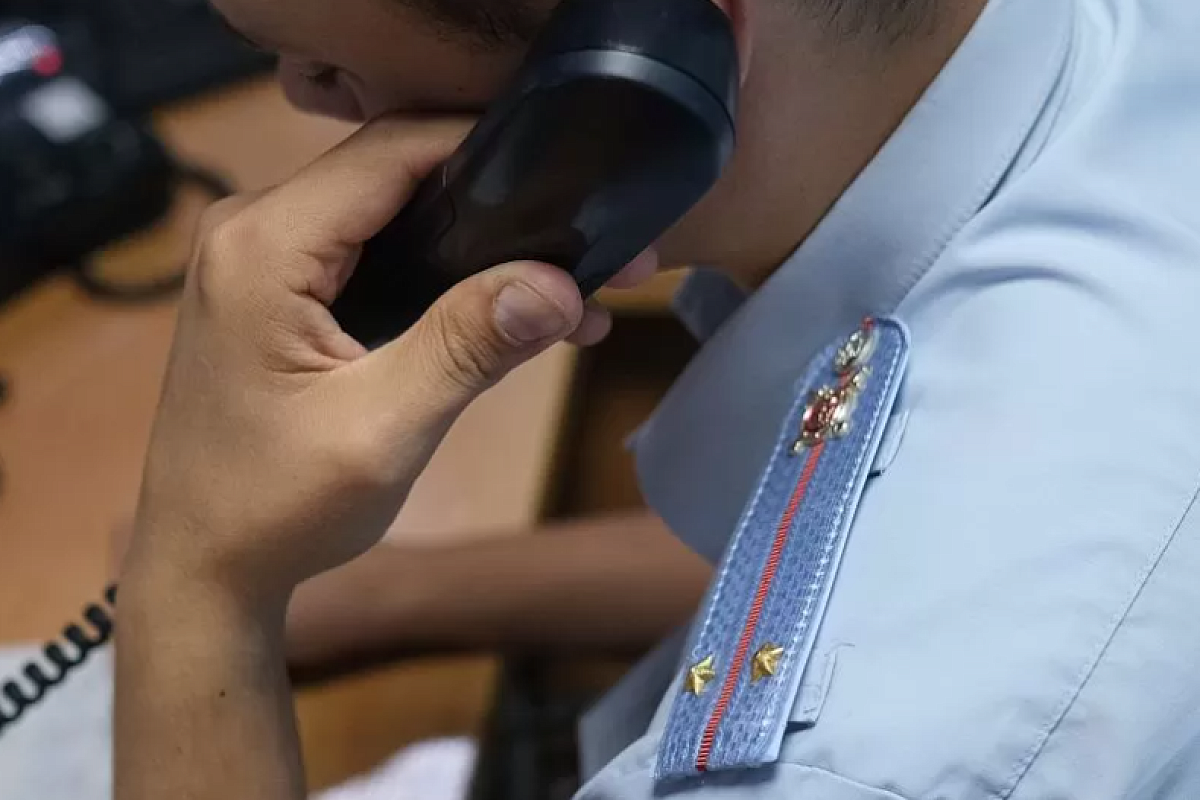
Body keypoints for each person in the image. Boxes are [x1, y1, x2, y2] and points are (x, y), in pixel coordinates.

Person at [114, 0, 1200, 799]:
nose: (305, 101)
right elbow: (816, 531)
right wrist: (402, 593)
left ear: (639, 60)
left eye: (326, 66)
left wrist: (200, 581)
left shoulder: (879, 759)